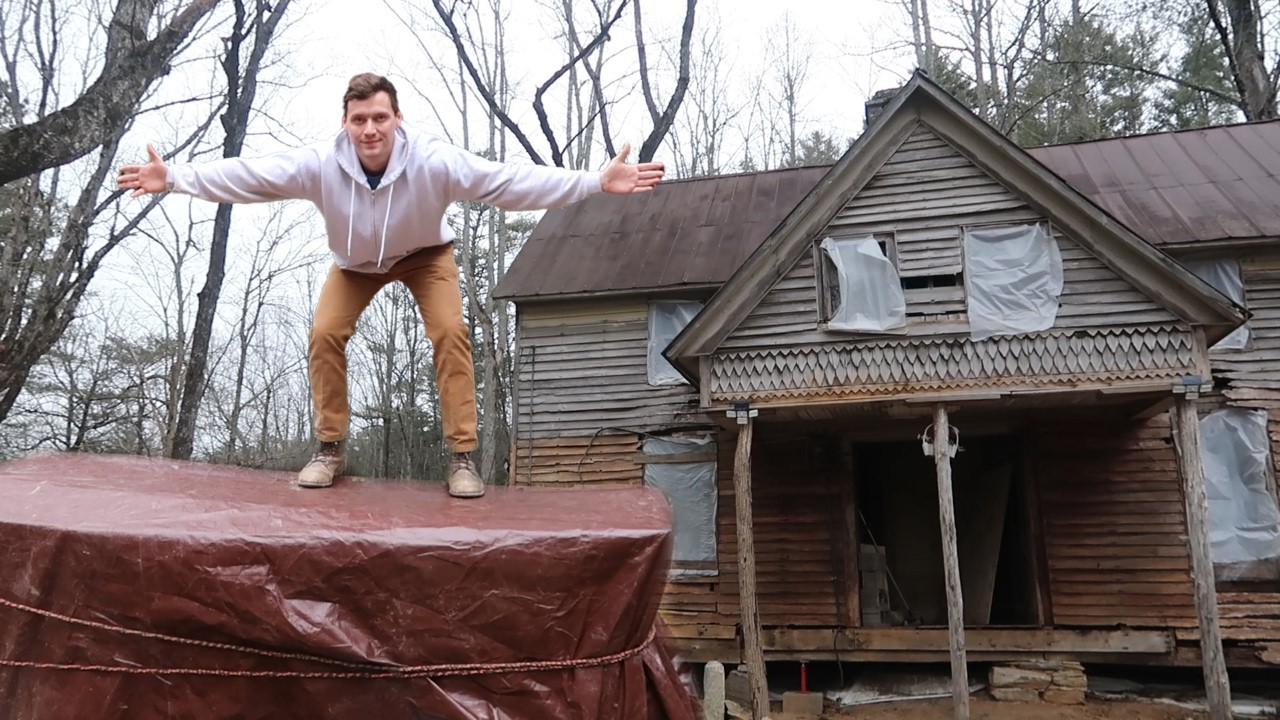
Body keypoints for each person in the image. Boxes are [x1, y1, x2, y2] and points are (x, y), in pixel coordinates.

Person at [117, 73, 664, 497]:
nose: (370, 130)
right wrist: (177, 178)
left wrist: (594, 181)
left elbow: (508, 181)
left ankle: (462, 459)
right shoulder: (318, 165)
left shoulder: (434, 162)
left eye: (379, 117)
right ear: (346, 123)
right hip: (355, 265)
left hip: (426, 256)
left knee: (451, 331)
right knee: (324, 334)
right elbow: (251, 176)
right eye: (359, 120)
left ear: (397, 118)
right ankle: (328, 449)